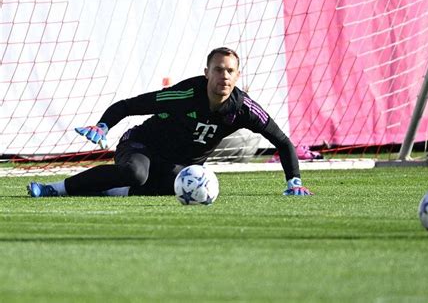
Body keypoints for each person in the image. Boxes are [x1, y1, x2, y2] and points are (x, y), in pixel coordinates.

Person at [27, 47, 313, 197]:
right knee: (136, 173)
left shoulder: (245, 109)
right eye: (217, 70)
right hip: (142, 144)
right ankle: (56, 188)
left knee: (182, 184)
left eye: (229, 71)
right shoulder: (186, 93)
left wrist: (294, 181)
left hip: (180, 164)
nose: (223, 76)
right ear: (206, 73)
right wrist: (103, 125)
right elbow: (130, 105)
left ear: (237, 76)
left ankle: (110, 189)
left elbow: (283, 142)